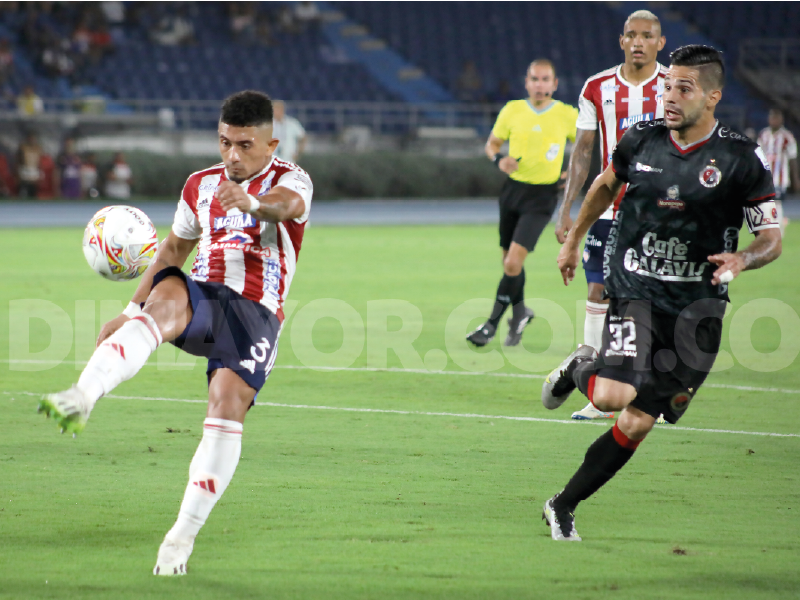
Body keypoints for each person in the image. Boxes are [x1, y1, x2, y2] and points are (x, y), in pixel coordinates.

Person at [39, 90, 314, 575]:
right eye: (225, 142)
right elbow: (172, 251)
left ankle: (179, 540)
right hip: (202, 297)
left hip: (255, 314)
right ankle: (82, 396)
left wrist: (251, 202)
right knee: (167, 294)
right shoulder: (199, 185)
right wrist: (129, 309)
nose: (233, 155)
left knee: (226, 406)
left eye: (245, 145)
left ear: (270, 144)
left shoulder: (290, 178)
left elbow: (287, 206)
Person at [540, 45, 781, 541]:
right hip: (636, 288)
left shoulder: (741, 158)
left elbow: (771, 237)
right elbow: (605, 185)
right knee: (611, 396)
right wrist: (574, 239)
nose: (669, 96)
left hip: (698, 309)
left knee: (640, 422)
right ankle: (582, 368)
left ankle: (561, 504)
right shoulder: (641, 139)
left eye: (683, 88)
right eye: (668, 85)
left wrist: (743, 259)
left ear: (712, 97)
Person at [555, 10, 667, 420]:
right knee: (597, 291)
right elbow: (583, 149)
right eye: (631, 35)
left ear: (660, 42)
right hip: (608, 208)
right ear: (621, 40)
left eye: (647, 35)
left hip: (659, 212)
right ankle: (598, 385)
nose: (638, 42)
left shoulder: (674, 85)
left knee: (650, 298)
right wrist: (567, 208)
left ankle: (649, 388)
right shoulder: (596, 87)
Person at [467, 59, 578, 347]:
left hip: (542, 197)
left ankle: (490, 325)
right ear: (526, 83)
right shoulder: (513, 110)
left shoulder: (567, 114)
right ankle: (520, 314)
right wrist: (498, 160)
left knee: (513, 262)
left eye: (545, 79)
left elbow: (588, 146)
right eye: (535, 79)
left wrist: (573, 172)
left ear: (555, 84)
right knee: (509, 264)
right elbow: (492, 144)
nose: (540, 85)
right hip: (512, 192)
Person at [757, 108, 798, 236]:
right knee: (765, 204)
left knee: (777, 203)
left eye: (777, 118)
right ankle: (768, 230)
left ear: (781, 120)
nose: (774, 120)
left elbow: (793, 158)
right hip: (766, 177)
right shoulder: (763, 135)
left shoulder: (787, 137)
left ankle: (779, 231)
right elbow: (758, 156)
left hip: (780, 178)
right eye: (772, 118)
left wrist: (795, 179)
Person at [16, 132, 42, 198]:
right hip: (25, 170)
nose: (32, 140)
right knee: (24, 190)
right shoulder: (23, 148)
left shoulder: (38, 148)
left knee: (33, 191)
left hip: (34, 171)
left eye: (33, 139)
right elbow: (18, 160)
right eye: (30, 139)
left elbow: (39, 161)